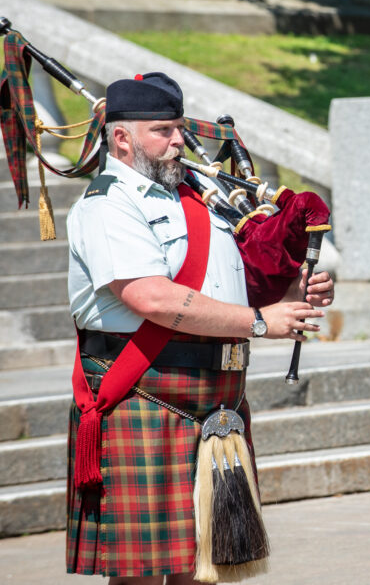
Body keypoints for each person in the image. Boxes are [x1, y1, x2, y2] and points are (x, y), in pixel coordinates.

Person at [65, 72, 334, 584]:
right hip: (146, 392)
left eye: (180, 130)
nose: (178, 143)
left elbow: (224, 286)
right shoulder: (108, 203)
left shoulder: (199, 202)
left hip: (217, 397)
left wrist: (294, 296)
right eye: (163, 131)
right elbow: (151, 296)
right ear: (122, 137)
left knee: (205, 567)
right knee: (141, 572)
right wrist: (260, 322)